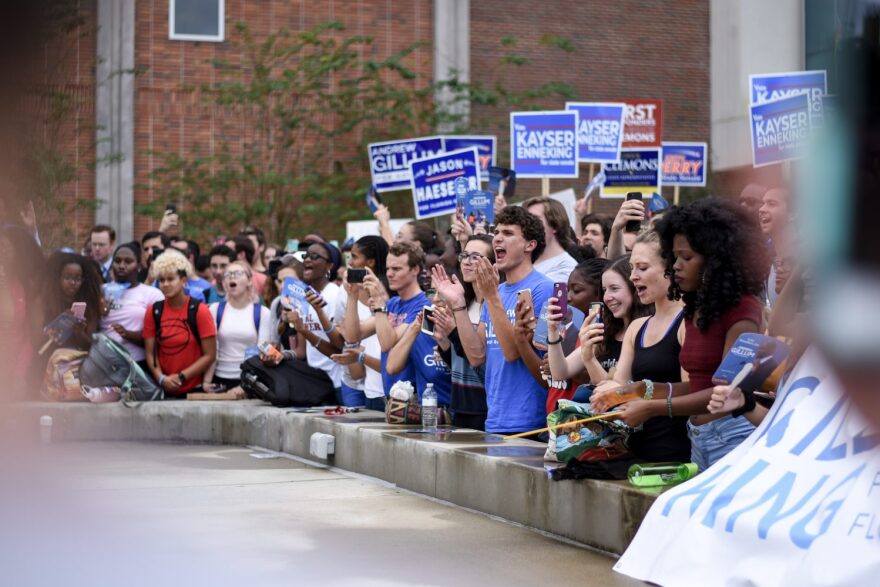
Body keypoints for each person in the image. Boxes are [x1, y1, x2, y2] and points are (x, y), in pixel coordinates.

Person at [593, 199, 770, 471]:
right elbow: (698, 384)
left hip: (733, 436)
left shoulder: (744, 310)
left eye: (686, 258)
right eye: (674, 257)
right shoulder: (696, 307)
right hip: (698, 438)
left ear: (715, 260)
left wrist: (653, 407)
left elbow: (727, 394)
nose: (675, 266)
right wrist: (642, 390)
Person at [452, 205, 553, 435]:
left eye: (508, 233)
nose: (497, 238)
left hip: (530, 422)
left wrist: (491, 296)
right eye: (496, 232)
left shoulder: (543, 288)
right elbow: (477, 356)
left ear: (530, 245)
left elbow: (513, 353)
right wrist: (458, 304)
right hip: (495, 418)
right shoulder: (495, 292)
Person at [431, 235, 496, 430]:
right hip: (459, 403)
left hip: (483, 405)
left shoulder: (494, 306)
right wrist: (443, 341)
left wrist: (453, 332)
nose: (467, 261)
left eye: (475, 257)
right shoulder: (464, 304)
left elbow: (481, 362)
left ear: (492, 264)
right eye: (465, 255)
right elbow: (459, 364)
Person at [143, 251, 217, 397]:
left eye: (170, 279)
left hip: (193, 390)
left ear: (183, 281)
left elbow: (210, 354)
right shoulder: (154, 311)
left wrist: (181, 377)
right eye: (161, 280)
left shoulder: (199, 310)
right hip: (163, 390)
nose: (165, 284)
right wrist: (161, 378)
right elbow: (150, 353)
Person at [331, 236, 389, 410]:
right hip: (359, 379)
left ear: (370, 262)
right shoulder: (347, 290)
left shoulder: (389, 294)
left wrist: (380, 298)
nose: (350, 262)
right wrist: (352, 295)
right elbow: (351, 335)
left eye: (355, 257)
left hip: (385, 384)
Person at [363, 240, 428, 395]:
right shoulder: (392, 303)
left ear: (415, 270)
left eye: (397, 269)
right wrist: (351, 295)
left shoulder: (425, 305)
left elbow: (387, 344)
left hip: (411, 396)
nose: (389, 274)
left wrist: (379, 303)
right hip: (390, 393)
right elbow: (352, 335)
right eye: (388, 268)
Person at [285, 241, 344, 396]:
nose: (307, 260)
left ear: (329, 266)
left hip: (337, 384)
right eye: (306, 256)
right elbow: (303, 351)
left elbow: (340, 348)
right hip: (316, 381)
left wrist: (304, 330)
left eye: (315, 256)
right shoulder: (305, 296)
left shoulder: (334, 295)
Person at [204, 261, 272, 391]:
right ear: (224, 283)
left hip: (251, 379)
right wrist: (206, 382)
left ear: (250, 280)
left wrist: (246, 386)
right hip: (220, 379)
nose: (231, 277)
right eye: (227, 274)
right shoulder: (215, 309)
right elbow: (212, 349)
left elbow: (264, 353)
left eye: (238, 273)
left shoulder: (263, 313)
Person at [100, 242, 164, 372]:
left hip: (138, 365)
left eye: (128, 261)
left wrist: (129, 335)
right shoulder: (101, 291)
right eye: (117, 261)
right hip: (104, 364)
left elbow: (160, 338)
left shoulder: (152, 294)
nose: (121, 266)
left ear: (139, 266)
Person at [42, 252, 104, 351]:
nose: (72, 283)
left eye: (77, 279)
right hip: (50, 360)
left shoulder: (90, 305)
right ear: (58, 278)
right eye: (67, 278)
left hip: (77, 362)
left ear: (83, 281)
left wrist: (79, 332)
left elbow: (90, 346)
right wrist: (60, 323)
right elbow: (38, 340)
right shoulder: (47, 302)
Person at [523, 197, 578, 282]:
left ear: (555, 225)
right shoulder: (526, 262)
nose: (527, 225)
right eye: (526, 220)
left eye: (535, 219)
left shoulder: (565, 267)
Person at [758, 188, 793, 306]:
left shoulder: (804, 259)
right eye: (763, 204)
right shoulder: (768, 259)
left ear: (792, 213)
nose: (761, 209)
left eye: (771, 204)